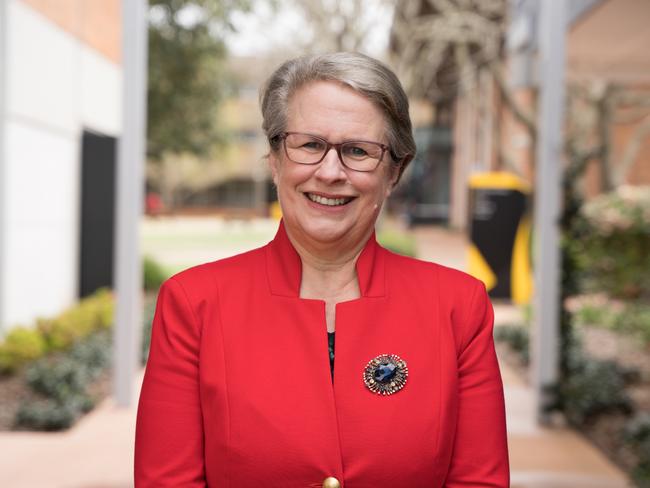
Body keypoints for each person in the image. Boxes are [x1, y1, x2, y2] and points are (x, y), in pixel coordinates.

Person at [135, 52, 509, 487]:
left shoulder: (457, 307)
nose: (330, 172)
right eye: (309, 145)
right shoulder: (194, 304)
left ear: (394, 173)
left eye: (358, 151)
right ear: (275, 160)